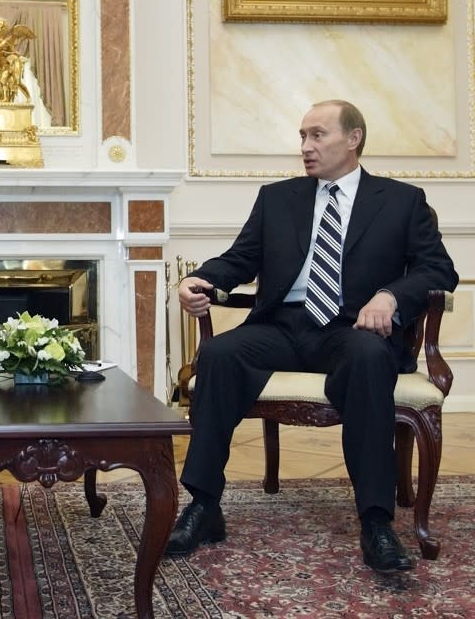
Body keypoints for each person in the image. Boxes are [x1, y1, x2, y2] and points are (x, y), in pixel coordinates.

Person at [168, 100, 457, 573]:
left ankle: (376, 522)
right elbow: (239, 260)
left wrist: (390, 296)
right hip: (283, 326)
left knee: (368, 358)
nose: (305, 147)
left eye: (317, 135)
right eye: (302, 136)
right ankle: (203, 505)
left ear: (354, 138)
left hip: (352, 329)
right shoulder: (279, 198)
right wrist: (198, 279)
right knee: (219, 354)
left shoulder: (402, 201)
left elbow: (438, 270)